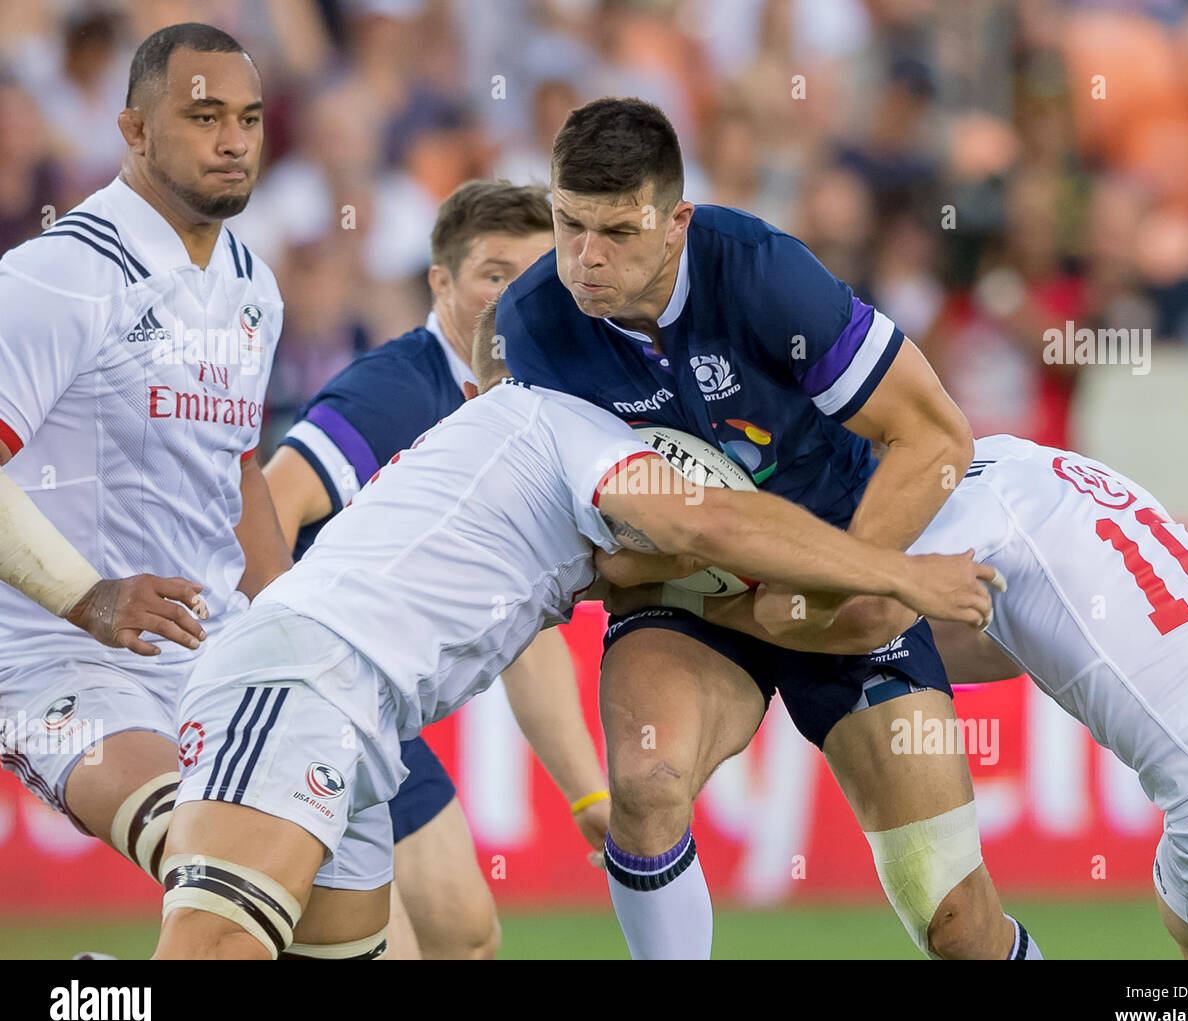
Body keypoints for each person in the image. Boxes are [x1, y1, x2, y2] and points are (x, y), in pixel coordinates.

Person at [152, 301, 998, 959]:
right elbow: (709, 526)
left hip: (359, 722)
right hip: (305, 681)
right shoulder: (557, 421)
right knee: (218, 945)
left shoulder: (503, 451)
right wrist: (899, 571)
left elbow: (640, 574)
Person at [494, 97, 1035, 959]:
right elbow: (574, 539)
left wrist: (841, 583)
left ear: (675, 224)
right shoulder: (532, 328)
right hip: (689, 595)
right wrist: (644, 574)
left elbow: (936, 434)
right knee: (645, 781)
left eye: (617, 233)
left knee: (958, 925)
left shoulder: (764, 275)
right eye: (567, 224)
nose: (584, 259)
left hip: (839, 563)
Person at [711, 434, 1188, 960]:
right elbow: (1004, 646)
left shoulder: (956, 498)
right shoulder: (1049, 469)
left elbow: (867, 614)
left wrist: (715, 605)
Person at [263, 178, 610, 959]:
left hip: (380, 723)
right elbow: (268, 503)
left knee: (467, 940)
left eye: (535, 278)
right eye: (495, 275)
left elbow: (527, 630)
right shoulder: (396, 390)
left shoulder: (528, 406)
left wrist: (588, 793)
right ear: (441, 282)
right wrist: (281, 671)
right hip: (313, 702)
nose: (514, 298)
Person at [0, 23, 288, 888]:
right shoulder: (57, 275)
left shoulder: (253, 286)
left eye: (249, 117)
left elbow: (238, 472)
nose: (234, 140)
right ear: (133, 131)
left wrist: (293, 628)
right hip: (59, 661)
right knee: (218, 867)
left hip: (216, 654)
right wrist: (87, 597)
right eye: (204, 118)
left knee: (338, 921)